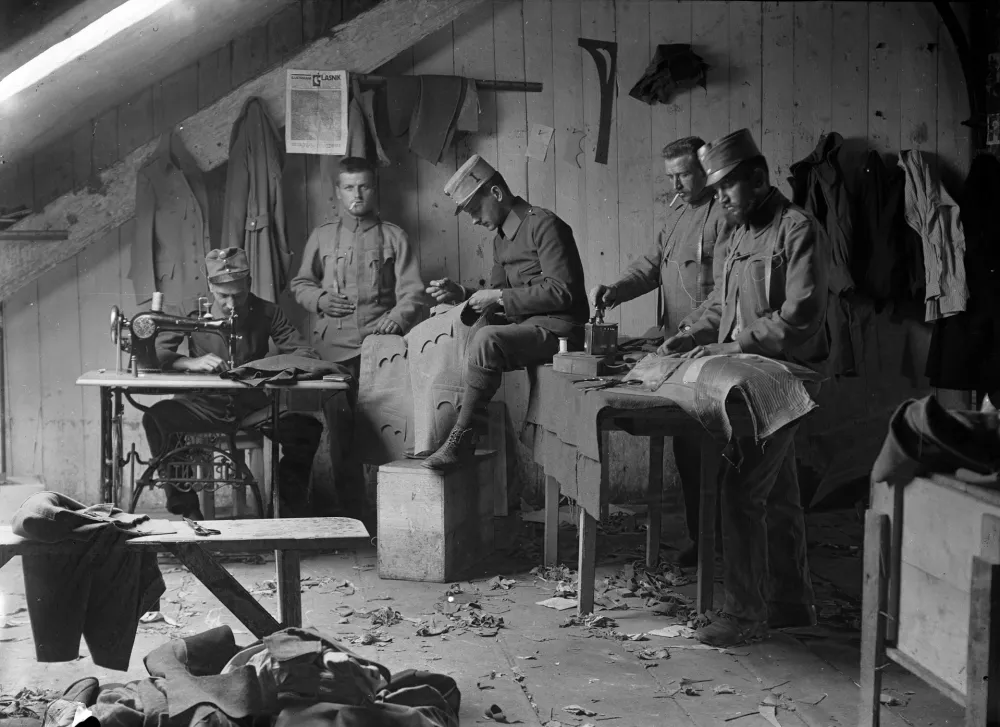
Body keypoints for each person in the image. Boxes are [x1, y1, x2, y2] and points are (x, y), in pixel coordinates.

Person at [661, 128, 829, 647]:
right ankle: (791, 603)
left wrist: (735, 346)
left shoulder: (797, 229)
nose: (720, 200)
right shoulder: (737, 232)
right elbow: (720, 304)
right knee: (777, 495)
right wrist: (688, 336)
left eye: (728, 189)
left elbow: (800, 317)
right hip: (750, 377)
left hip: (785, 378)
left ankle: (744, 613)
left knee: (741, 491)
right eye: (716, 191)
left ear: (758, 179)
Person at [589, 136, 731, 567]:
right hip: (678, 348)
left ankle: (723, 543)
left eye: (684, 174)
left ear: (706, 170)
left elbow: (727, 293)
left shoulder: (725, 218)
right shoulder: (675, 217)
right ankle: (703, 539)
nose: (677, 184)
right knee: (688, 449)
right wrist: (615, 290)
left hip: (713, 349)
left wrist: (691, 332)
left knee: (716, 451)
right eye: (671, 176)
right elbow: (650, 266)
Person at [422, 154, 589, 469]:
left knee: (486, 340)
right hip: (530, 330)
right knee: (458, 330)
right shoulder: (500, 241)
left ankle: (462, 437)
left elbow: (562, 291)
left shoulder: (544, 224)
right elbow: (497, 304)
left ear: (496, 194)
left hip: (562, 331)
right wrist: (461, 298)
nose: (473, 220)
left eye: (474, 209)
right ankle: (451, 435)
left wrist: (496, 296)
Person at [142, 247, 325, 520]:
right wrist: (189, 363)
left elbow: (304, 354)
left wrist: (263, 369)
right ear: (210, 287)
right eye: (223, 296)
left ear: (249, 284)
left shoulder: (267, 312)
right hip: (203, 405)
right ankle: (188, 509)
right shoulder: (190, 311)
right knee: (156, 418)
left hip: (253, 408)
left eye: (238, 295)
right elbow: (156, 355)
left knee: (306, 429)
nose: (231, 305)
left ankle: (285, 512)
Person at [290, 156, 425, 519]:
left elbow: (414, 293)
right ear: (337, 192)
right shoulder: (321, 236)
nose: (357, 195)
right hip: (333, 353)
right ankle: (355, 518)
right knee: (342, 434)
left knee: (389, 432)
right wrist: (318, 298)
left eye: (364, 186)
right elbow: (300, 284)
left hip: (382, 351)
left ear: (374, 189)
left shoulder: (395, 237)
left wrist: (396, 320)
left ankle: (393, 516)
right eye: (349, 187)